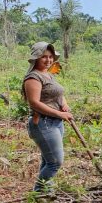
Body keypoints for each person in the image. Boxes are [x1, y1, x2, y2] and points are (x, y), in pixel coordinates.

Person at [22, 42, 73, 192]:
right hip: (43, 123)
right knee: (55, 162)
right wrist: (60, 114)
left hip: (56, 123)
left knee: (48, 160)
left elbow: (57, 93)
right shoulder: (33, 78)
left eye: (50, 57)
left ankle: (46, 191)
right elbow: (34, 103)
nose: (48, 60)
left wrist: (64, 104)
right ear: (36, 58)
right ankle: (38, 192)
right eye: (44, 57)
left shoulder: (48, 74)